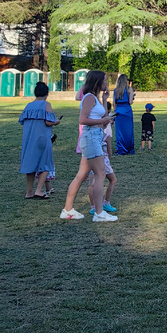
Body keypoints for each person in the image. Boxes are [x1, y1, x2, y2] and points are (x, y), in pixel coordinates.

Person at [61, 70, 116, 221]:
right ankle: (99, 213)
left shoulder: (95, 98)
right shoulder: (89, 98)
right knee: (100, 174)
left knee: (82, 175)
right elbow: (82, 119)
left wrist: (105, 100)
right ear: (98, 82)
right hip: (91, 137)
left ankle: (68, 210)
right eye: (104, 80)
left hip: (95, 137)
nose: (106, 83)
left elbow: (102, 116)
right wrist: (102, 122)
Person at [19, 82, 61, 198]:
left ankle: (29, 192)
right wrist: (56, 122)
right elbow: (48, 122)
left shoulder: (28, 105)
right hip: (42, 137)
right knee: (45, 164)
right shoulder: (46, 105)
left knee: (30, 164)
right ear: (47, 94)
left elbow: (22, 121)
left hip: (28, 138)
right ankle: (39, 190)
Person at [111, 73, 135, 154]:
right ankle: (129, 148)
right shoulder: (129, 89)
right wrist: (131, 94)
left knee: (119, 131)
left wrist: (115, 110)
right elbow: (130, 102)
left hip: (119, 110)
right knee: (128, 130)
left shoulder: (115, 90)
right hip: (127, 110)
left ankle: (121, 148)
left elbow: (114, 103)